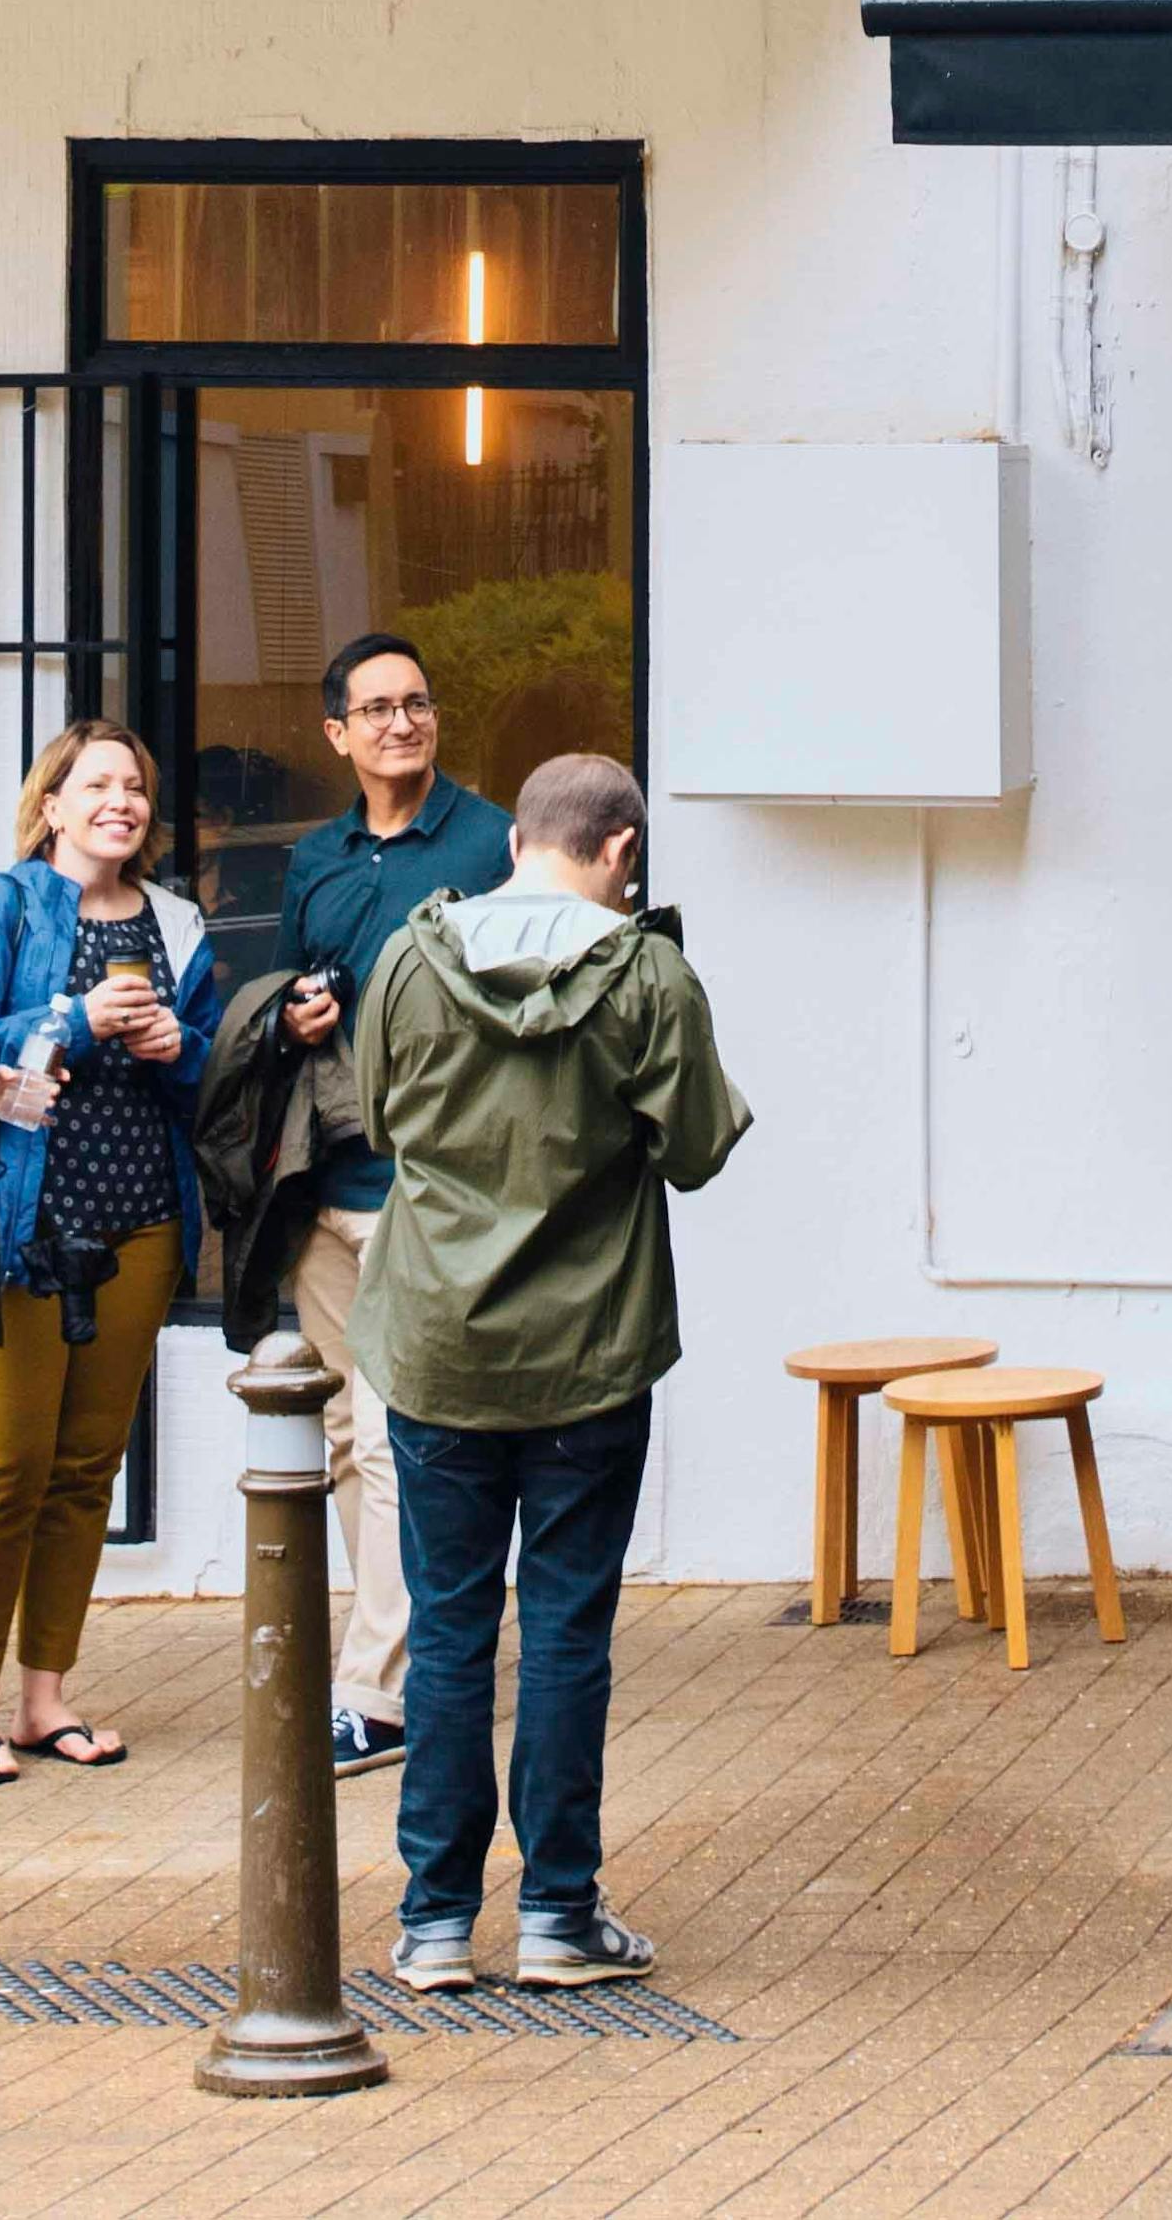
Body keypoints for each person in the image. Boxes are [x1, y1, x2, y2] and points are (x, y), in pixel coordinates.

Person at [342, 747, 747, 1996]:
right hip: (587, 1354)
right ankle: (560, 1917)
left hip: (436, 1347)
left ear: (518, 838)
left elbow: (377, 1118)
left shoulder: (411, 960)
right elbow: (695, 1155)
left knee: (450, 1631)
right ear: (618, 850)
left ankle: (434, 1924)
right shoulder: (648, 977)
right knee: (567, 1632)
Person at [0, 718, 217, 1783]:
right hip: (22, 1221)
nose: (118, 803)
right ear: (51, 803)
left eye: (132, 786)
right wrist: (76, 1016)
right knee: (5, 1461)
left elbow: (211, 1070)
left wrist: (182, 1046)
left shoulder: (177, 926)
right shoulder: (2, 906)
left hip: (140, 1218)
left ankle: (45, 1694)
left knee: (87, 1467)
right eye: (95, 785)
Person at [256, 625, 507, 1768]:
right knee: (351, 1429)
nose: (400, 723)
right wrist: (295, 1014)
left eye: (416, 703)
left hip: (426, 1182)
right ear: (336, 733)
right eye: (376, 710)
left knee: (399, 1435)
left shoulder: (491, 842)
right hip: (325, 1181)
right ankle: (410, 1655)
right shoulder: (314, 859)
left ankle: (381, 1684)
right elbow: (289, 993)